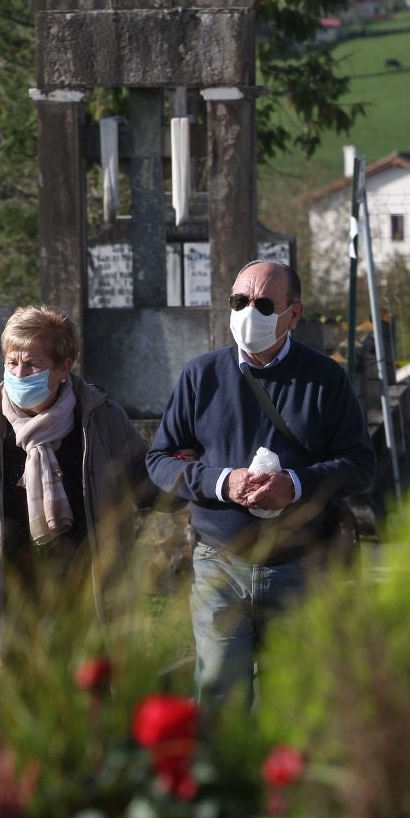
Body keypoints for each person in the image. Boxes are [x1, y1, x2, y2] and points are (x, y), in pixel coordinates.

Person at [147, 260, 375, 704]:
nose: (249, 312)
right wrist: (221, 482)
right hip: (220, 565)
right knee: (217, 701)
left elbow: (361, 465)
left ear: (294, 314)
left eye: (265, 304)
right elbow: (159, 460)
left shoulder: (326, 379)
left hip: (300, 567)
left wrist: (296, 483)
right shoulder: (202, 376)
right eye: (239, 301)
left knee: (294, 706)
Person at [0, 306, 151, 613]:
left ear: (63, 368)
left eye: (32, 366)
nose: (19, 375)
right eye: (11, 363)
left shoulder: (100, 418)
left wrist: (192, 470)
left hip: (89, 600)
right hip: (4, 600)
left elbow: (146, 480)